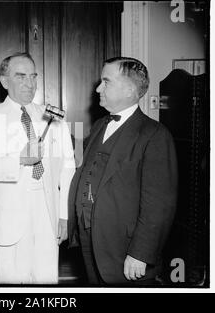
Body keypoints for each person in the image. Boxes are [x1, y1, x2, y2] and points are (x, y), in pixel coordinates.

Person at [68, 57, 178, 286]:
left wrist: (141, 253)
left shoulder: (155, 135)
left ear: (129, 90)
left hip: (125, 248)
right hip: (90, 238)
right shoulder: (100, 125)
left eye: (106, 82)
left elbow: (159, 204)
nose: (98, 88)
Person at [0, 52, 75, 284]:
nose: (30, 83)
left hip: (47, 214)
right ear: (5, 81)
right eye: (21, 76)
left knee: (47, 281)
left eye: (33, 76)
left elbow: (68, 168)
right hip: (7, 218)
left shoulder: (52, 117)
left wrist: (64, 216)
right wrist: (19, 159)